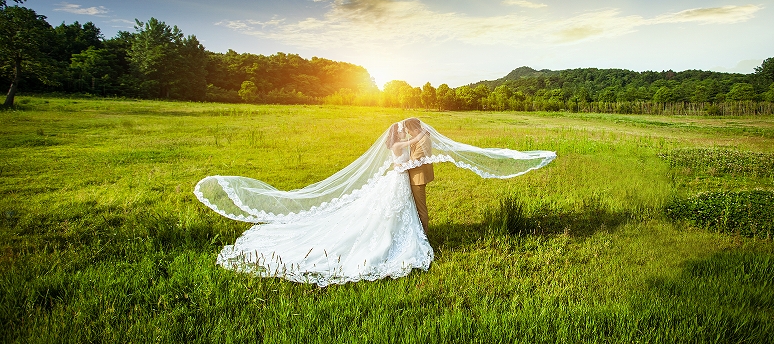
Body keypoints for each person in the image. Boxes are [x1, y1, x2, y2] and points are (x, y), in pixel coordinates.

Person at [194, 119, 556, 287]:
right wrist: (426, 232)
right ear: (420, 141)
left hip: (388, 185)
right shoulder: (417, 151)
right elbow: (420, 199)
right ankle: (418, 243)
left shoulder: (397, 144)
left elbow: (395, 154)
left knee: (370, 218)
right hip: (400, 188)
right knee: (400, 222)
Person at [403, 118, 433, 236]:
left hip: (418, 178)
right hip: (413, 176)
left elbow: (414, 161)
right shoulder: (420, 136)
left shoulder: (424, 140)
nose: (408, 134)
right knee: (414, 206)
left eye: (409, 131)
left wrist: (399, 167)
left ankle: (424, 234)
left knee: (420, 208)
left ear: (416, 129)